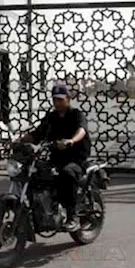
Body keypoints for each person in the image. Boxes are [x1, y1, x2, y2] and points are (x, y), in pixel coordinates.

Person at [18, 82, 91, 232]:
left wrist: (71, 141)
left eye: (60, 99)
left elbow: (82, 130)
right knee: (36, 173)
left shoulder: (76, 114)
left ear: (68, 99)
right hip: (56, 158)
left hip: (76, 159)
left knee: (67, 173)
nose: (57, 102)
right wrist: (19, 139)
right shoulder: (51, 117)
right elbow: (37, 134)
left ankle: (72, 216)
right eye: (55, 99)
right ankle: (40, 212)